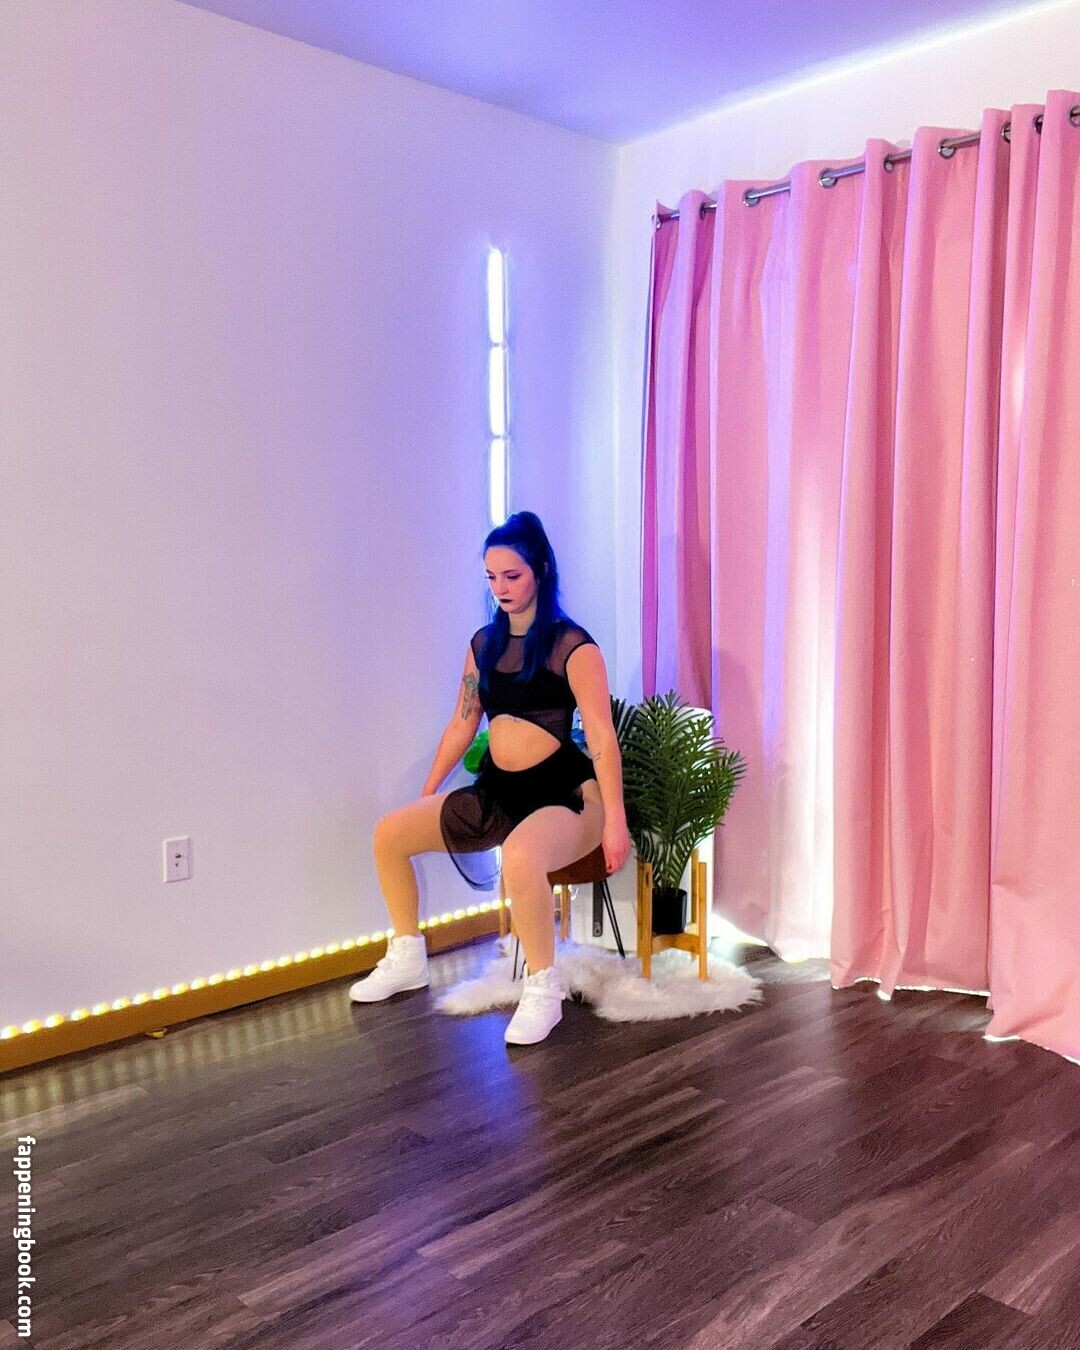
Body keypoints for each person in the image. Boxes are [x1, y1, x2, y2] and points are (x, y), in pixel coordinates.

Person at [349, 511, 632, 1044]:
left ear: (540, 570)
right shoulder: (484, 645)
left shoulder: (574, 647)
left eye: (512, 575)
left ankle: (543, 989)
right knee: (390, 834)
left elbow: (600, 736)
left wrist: (615, 820)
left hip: (567, 795)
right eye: (492, 577)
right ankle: (408, 956)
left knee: (521, 855)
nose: (501, 587)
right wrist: (429, 792)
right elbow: (463, 722)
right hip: (501, 791)